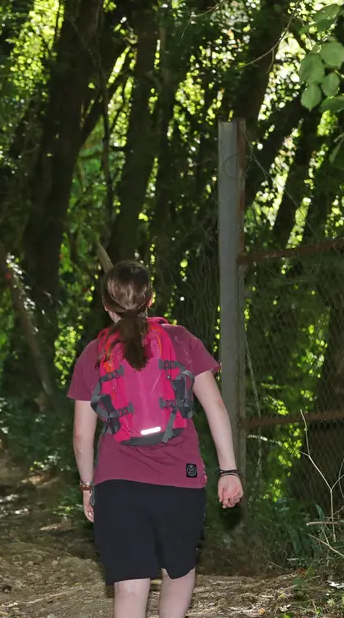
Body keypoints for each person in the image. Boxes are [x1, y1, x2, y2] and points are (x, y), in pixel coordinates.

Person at [70, 260, 243, 618]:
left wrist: (88, 486)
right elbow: (215, 408)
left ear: (105, 305)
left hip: (118, 485)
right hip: (181, 481)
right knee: (178, 574)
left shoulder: (93, 354)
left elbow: (81, 435)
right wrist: (229, 470)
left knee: (131, 587)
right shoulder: (181, 340)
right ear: (151, 299)